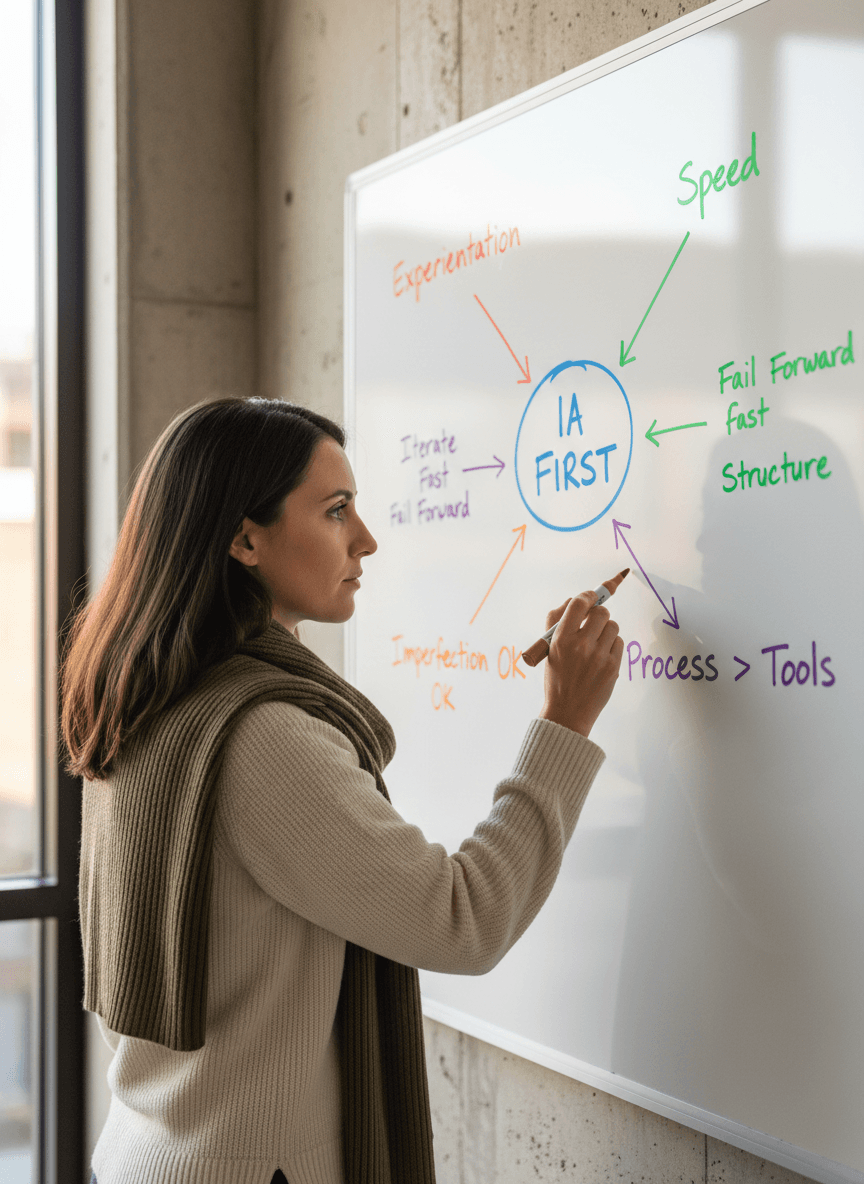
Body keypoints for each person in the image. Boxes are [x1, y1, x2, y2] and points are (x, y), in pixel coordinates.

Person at [62, 397, 623, 1184]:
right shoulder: (263, 737)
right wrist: (565, 723)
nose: (366, 539)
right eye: (335, 511)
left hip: (145, 1149)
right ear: (243, 537)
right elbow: (464, 919)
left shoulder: (147, 700)